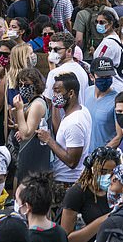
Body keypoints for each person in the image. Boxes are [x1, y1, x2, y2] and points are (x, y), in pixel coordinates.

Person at [40, 72, 91, 203]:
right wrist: (55, 106)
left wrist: (49, 140)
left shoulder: (74, 123)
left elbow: (72, 161)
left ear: (71, 93)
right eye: (53, 91)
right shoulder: (80, 110)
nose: (54, 96)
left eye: (58, 92)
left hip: (67, 183)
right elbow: (61, 133)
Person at [61, 146, 123, 242]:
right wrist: (108, 218)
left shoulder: (116, 191)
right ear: (92, 170)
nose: (108, 176)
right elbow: (66, 237)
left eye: (112, 172)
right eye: (103, 171)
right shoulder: (77, 193)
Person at [12, 67, 52, 181]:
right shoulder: (32, 102)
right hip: (29, 153)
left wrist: (19, 110)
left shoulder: (37, 104)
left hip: (35, 157)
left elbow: (26, 134)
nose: (23, 87)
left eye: (27, 84)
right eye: (21, 84)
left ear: (36, 85)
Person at [14, 171, 69, 241]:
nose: (16, 204)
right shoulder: (60, 231)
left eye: (17, 201)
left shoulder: (25, 238)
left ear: (27, 207)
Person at [84, 58, 120, 152]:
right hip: (85, 154)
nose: (105, 79)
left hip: (104, 157)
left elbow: (119, 136)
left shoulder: (117, 100)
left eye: (108, 76)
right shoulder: (87, 92)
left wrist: (100, 154)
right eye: (101, 76)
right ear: (92, 77)